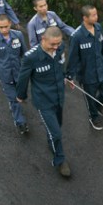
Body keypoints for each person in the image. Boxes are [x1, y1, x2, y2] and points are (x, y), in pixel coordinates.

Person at [16, 26, 71, 178]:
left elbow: (61, 67)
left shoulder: (60, 49)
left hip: (59, 96)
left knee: (56, 127)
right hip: (43, 100)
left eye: (58, 44)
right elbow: (23, 78)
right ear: (43, 39)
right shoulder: (31, 57)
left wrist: (67, 77)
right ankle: (60, 160)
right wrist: (21, 95)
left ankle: (51, 140)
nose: (55, 47)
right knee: (57, 133)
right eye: (52, 44)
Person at [66, 5, 103, 131]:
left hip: (102, 70)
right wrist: (69, 76)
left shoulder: (99, 28)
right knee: (90, 99)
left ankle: (97, 105)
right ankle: (93, 118)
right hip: (88, 75)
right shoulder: (77, 36)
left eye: (96, 14)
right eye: (93, 15)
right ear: (85, 18)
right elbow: (72, 58)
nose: (96, 17)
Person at [0, 14, 29, 134]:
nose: (4, 30)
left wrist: (28, 69)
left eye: (6, 26)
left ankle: (19, 100)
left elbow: (24, 54)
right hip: (5, 75)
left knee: (20, 94)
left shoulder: (18, 35)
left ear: (10, 24)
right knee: (14, 100)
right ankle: (20, 122)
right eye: (1, 27)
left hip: (19, 72)